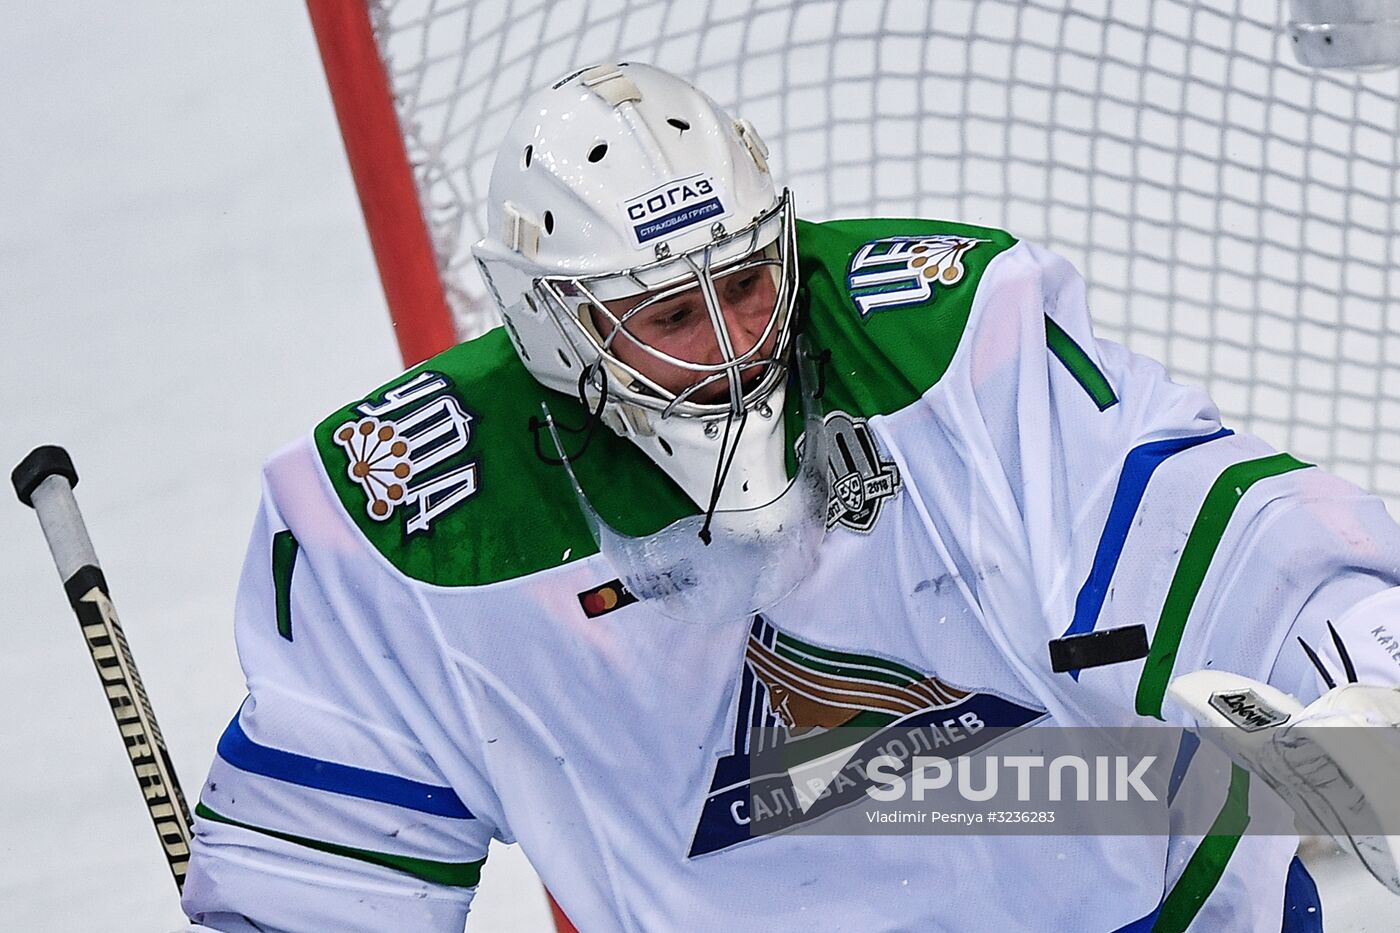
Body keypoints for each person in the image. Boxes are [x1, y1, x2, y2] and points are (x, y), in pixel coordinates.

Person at [181, 62, 1400, 931]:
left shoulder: (947, 328)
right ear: (553, 324)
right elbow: (335, 849)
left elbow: (1190, 511)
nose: (732, 345)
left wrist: (1357, 672)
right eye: (667, 314)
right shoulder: (412, 511)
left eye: (747, 288)